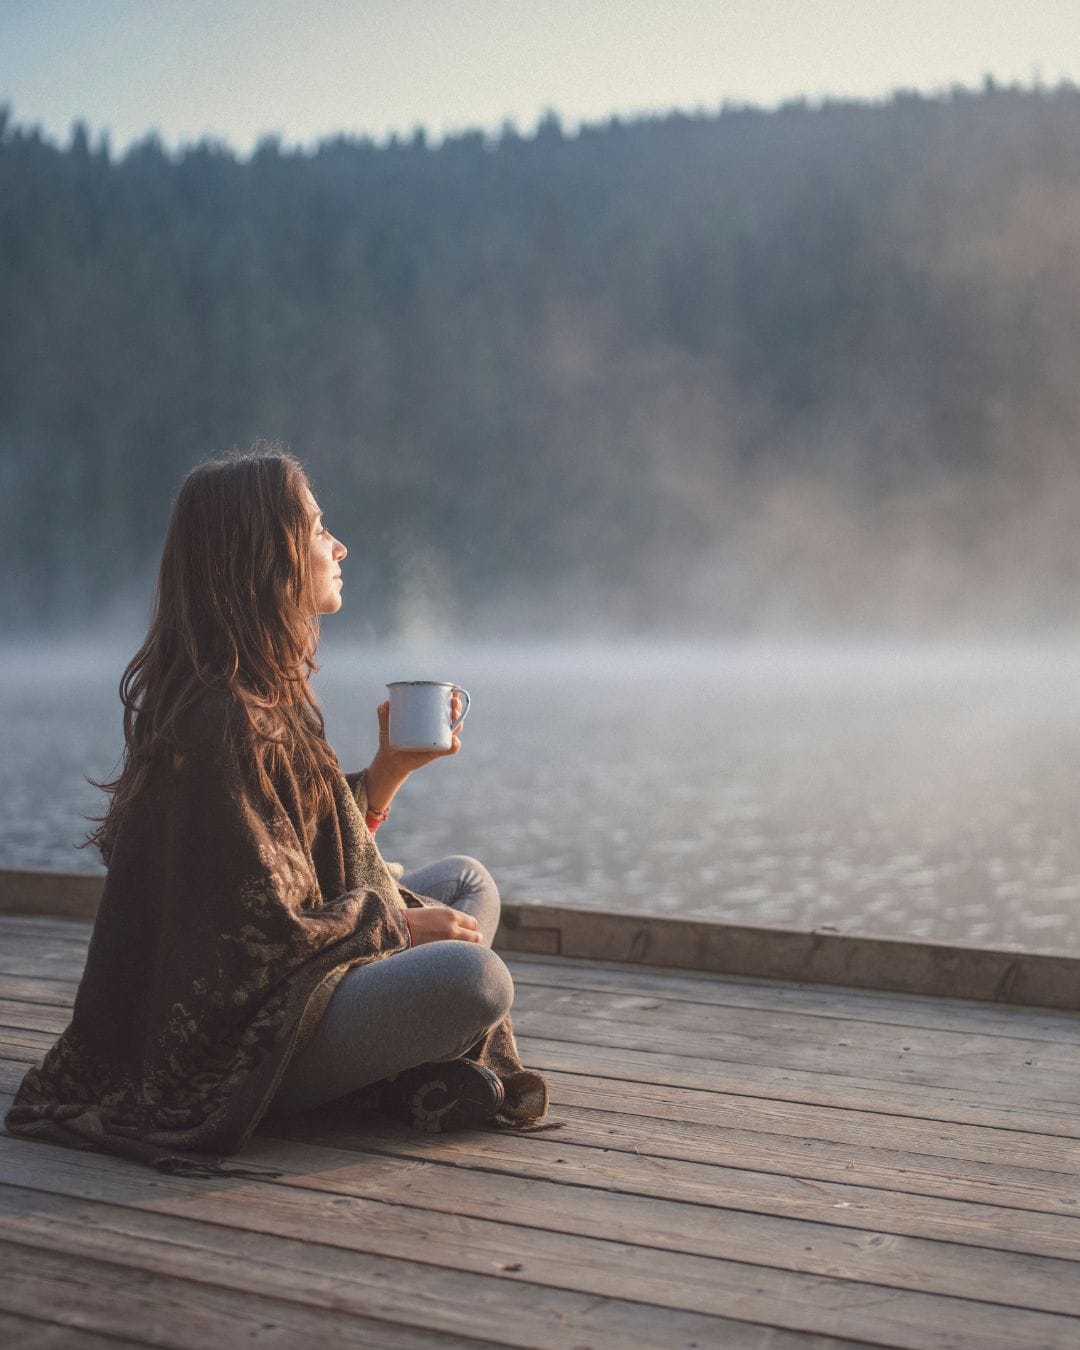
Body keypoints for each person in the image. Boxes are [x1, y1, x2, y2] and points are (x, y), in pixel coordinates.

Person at [4, 448, 548, 1178]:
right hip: (233, 1043)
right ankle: (369, 1078)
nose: (339, 545)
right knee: (473, 982)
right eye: (319, 528)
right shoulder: (220, 716)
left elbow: (299, 850)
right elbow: (257, 931)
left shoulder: (262, 693)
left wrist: (388, 771)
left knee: (464, 882)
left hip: (291, 987)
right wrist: (396, 925)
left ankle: (397, 1066)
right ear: (270, 555)